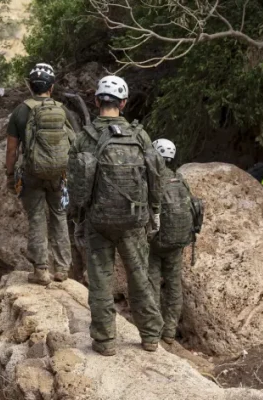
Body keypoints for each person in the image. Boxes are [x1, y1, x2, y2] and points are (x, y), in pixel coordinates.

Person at [71, 75, 164, 355]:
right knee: (140, 279)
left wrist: (77, 219)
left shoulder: (84, 137)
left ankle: (105, 341)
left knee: (100, 280)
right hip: (134, 220)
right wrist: (155, 212)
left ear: (97, 100)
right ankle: (149, 337)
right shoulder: (140, 135)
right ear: (123, 103)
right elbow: (155, 175)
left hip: (98, 221)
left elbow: (75, 183)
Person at [5, 63, 76, 285]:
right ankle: (63, 269)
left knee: (36, 217)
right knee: (59, 215)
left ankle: (41, 270)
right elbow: (76, 141)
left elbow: (12, 149)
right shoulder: (63, 110)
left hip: (31, 173)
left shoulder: (20, 111)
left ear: (30, 86)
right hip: (58, 174)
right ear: (51, 87)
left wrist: (9, 175)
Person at [147, 138, 196, 345]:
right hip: (177, 241)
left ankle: (153, 330)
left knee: (151, 284)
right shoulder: (180, 179)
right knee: (174, 285)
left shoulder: (153, 179)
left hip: (155, 242)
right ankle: (169, 332)